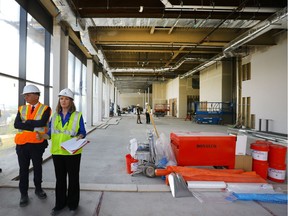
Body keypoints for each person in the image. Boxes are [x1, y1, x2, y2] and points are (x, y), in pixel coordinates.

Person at [37, 88, 86, 215]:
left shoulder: (77, 115)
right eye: (61, 98)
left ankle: (73, 205)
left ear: (71, 101)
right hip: (58, 152)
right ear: (59, 101)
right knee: (60, 179)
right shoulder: (54, 116)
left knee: (73, 179)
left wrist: (79, 137)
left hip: (72, 152)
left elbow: (83, 132)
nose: (63, 101)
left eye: (66, 99)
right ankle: (59, 204)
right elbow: (50, 134)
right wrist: (42, 136)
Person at [14, 84, 51, 207]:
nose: (26, 97)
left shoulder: (45, 109)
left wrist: (26, 122)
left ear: (36, 95)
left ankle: (38, 189)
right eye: (25, 95)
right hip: (21, 144)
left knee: (37, 168)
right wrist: (32, 124)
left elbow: (41, 122)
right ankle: (23, 194)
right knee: (23, 170)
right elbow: (17, 125)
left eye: (28, 95)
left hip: (37, 144)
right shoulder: (21, 109)